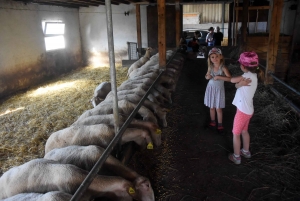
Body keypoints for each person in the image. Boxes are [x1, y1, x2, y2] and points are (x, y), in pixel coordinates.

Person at [228, 51, 265, 165]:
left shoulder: (245, 76)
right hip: (249, 110)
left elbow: (232, 80)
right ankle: (246, 151)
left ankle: (236, 157)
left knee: (236, 133)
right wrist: (238, 85)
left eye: (240, 64)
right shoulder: (254, 75)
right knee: (244, 131)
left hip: (242, 111)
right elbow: (236, 85)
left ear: (243, 66)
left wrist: (221, 76)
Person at [204, 48, 231, 134]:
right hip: (211, 89)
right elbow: (207, 75)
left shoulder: (223, 68)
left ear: (221, 57)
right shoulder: (210, 67)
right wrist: (207, 77)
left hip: (219, 90)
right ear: (210, 59)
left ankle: (220, 124)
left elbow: (230, 79)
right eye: (212, 57)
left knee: (218, 108)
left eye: (216, 56)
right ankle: (213, 122)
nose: (214, 59)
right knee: (212, 107)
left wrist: (219, 77)